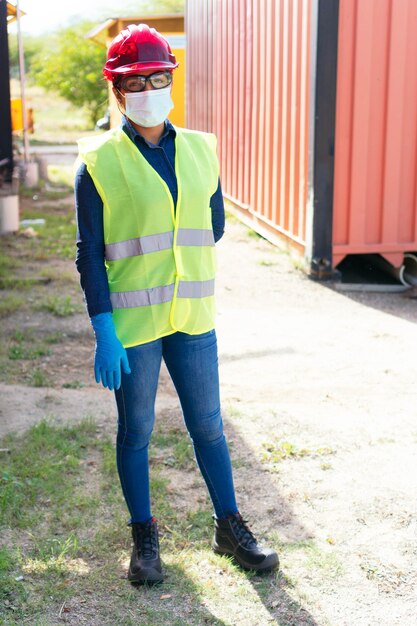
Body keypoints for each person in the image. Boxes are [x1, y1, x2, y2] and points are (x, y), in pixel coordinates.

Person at [75, 23, 278, 584]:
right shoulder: (97, 160)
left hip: (191, 318)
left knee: (209, 425)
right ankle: (144, 540)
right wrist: (103, 328)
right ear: (118, 91)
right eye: (136, 81)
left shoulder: (201, 148)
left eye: (159, 78)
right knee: (136, 429)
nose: (149, 90)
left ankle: (229, 525)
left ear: (171, 80)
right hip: (134, 326)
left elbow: (210, 226)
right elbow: (89, 253)